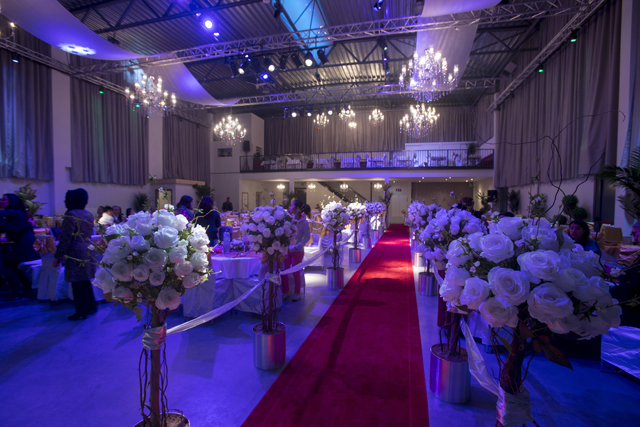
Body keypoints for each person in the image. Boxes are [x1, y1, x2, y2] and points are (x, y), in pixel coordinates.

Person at [54, 189, 97, 320]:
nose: (64, 201)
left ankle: (81, 311)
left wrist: (58, 255)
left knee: (77, 283)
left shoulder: (71, 215)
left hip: (76, 251)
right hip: (88, 249)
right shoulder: (88, 214)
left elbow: (66, 238)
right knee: (85, 281)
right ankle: (91, 306)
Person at [0, 194, 41, 301]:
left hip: (24, 244)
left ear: (11, 201)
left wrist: (29, 225)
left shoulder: (13, 211)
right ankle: (26, 287)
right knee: (12, 264)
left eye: (4, 199)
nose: (1, 201)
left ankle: (18, 291)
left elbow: (12, 228)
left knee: (8, 265)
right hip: (27, 243)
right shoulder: (19, 212)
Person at [282, 200, 311, 302]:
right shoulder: (288, 219)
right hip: (287, 249)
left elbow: (307, 236)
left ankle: (297, 292)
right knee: (284, 270)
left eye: (292, 205)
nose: (290, 207)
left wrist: (300, 244)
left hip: (298, 250)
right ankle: (285, 291)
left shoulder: (304, 222)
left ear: (297, 208)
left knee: (295, 271)